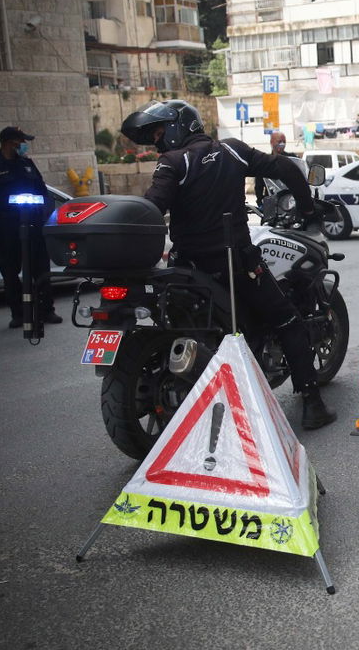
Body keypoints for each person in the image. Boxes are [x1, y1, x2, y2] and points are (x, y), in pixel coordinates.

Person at [120, 100, 337, 431]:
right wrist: (307, 211)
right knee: (288, 322)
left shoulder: (173, 163)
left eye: (161, 133)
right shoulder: (231, 151)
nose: (159, 141)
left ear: (179, 127)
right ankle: (313, 405)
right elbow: (288, 170)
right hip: (235, 264)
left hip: (189, 269)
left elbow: (152, 207)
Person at [0, 127, 61, 328]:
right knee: (11, 272)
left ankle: (46, 310)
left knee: (40, 269)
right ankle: (18, 314)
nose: (24, 145)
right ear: (10, 142)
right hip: (8, 226)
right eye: (21, 141)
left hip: (33, 224)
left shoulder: (27, 164)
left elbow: (42, 191)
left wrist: (45, 217)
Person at [253, 131, 301, 205]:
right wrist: (260, 201)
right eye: (279, 141)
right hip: (272, 200)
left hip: (290, 199)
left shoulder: (292, 158)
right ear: (271, 142)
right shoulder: (265, 161)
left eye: (284, 142)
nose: (282, 144)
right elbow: (259, 185)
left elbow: (300, 176)